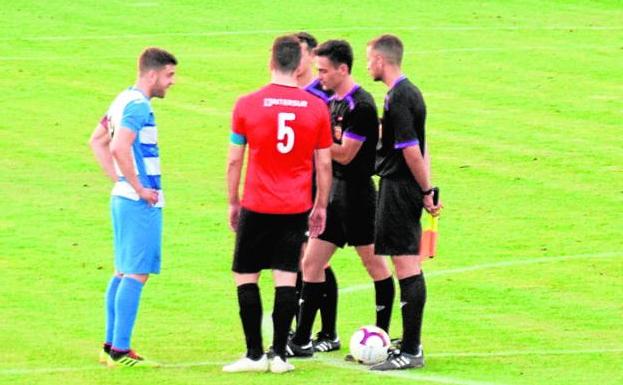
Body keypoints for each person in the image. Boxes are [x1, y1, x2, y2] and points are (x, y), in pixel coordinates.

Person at [224, 34, 333, 374]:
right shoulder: (317, 107)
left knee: (246, 276)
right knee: (286, 277)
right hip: (295, 205)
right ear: (300, 65)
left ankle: (254, 354)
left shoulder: (247, 104)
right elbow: (325, 164)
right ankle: (280, 356)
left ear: (271, 61)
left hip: (256, 204)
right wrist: (320, 206)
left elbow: (233, 160)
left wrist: (233, 202)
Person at [288, 39, 395, 358]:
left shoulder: (360, 105)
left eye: (323, 70)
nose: (319, 76)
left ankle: (383, 337)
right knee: (311, 262)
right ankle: (303, 340)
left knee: (374, 265)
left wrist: (311, 142)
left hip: (359, 198)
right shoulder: (333, 101)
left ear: (342, 69)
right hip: (334, 194)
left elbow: (347, 154)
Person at [89, 47, 177, 368]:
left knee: (123, 271)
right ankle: (121, 351)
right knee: (137, 273)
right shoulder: (138, 106)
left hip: (122, 198)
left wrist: (120, 180)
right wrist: (138, 187)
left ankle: (110, 346)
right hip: (138, 201)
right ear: (152, 74)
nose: (172, 82)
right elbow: (117, 144)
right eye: (169, 75)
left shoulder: (122, 98)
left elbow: (96, 140)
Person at [365, 34, 441, 371]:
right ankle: (408, 344)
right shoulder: (407, 93)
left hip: (400, 187)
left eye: (369, 60)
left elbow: (411, 148)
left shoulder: (399, 97)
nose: (368, 66)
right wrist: (429, 185)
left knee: (407, 266)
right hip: (403, 185)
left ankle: (411, 350)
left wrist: (426, 190)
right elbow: (423, 144)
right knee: (405, 264)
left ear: (382, 61)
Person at [292, 32, 341, 352]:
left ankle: (327, 332)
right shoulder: (295, 93)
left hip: (319, 183)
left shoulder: (324, 96)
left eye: (298, 54)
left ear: (311, 57)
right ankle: (308, 327)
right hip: (295, 182)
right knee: (302, 256)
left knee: (315, 258)